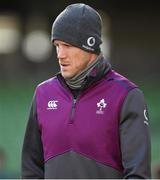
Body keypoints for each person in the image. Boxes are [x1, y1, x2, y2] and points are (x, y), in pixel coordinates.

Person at [21, 3, 151, 179]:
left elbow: (138, 175)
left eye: (67, 45)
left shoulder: (127, 95)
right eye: (57, 45)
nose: (60, 54)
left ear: (90, 45)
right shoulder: (43, 94)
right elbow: (31, 171)